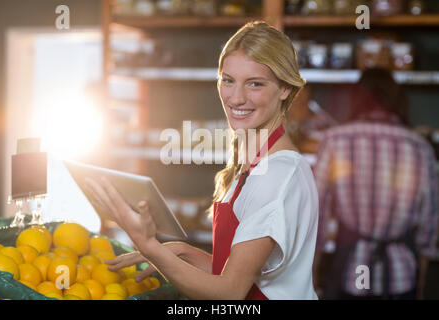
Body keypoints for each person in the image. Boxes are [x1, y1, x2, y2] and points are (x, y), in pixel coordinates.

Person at [85, 21, 319, 300]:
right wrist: (185, 253)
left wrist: (151, 247)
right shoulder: (258, 162)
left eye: (255, 84)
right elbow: (250, 274)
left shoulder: (276, 176)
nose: (236, 97)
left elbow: (230, 292)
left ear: (284, 89)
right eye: (228, 80)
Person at [313, 68, 439, 300]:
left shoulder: (335, 140)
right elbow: (430, 224)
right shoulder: (420, 147)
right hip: (401, 274)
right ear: (398, 100)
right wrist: (421, 283)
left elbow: (316, 211)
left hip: (349, 271)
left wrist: (313, 271)